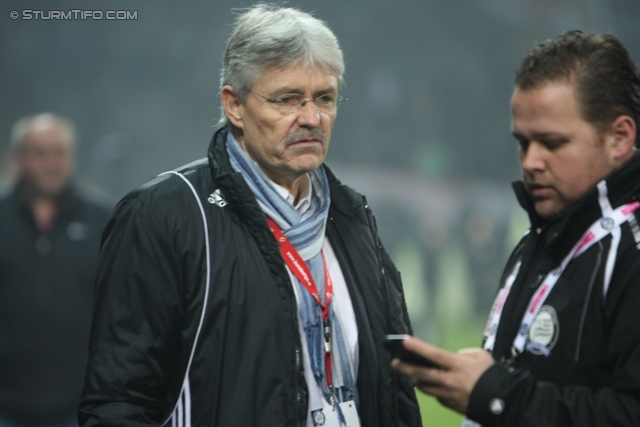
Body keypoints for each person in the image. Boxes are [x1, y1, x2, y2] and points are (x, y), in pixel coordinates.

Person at [79, 5, 422, 427]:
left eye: (324, 98)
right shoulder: (165, 215)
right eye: (287, 99)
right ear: (234, 105)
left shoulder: (351, 215)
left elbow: (396, 388)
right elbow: (119, 402)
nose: (312, 118)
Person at [391, 30, 640, 426]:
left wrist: (494, 395)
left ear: (619, 137)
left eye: (552, 142)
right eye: (523, 143)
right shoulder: (540, 237)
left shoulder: (629, 248)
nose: (531, 162)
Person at [0, 113, 111, 427]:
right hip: (6, 405)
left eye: (59, 152)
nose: (52, 162)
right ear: (19, 157)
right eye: (40, 152)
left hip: (78, 405)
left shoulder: (102, 220)